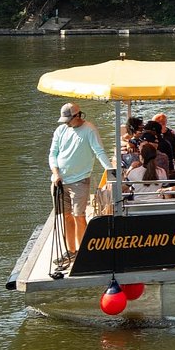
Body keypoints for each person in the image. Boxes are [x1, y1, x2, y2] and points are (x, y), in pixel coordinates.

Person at [49, 103, 114, 258]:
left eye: (68, 119)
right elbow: (53, 154)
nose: (66, 122)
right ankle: (71, 251)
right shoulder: (61, 130)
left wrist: (112, 172)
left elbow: (99, 152)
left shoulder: (89, 130)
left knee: (79, 215)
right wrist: (56, 173)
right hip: (60, 180)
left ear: (78, 115)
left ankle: (84, 253)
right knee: (65, 216)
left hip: (79, 181)